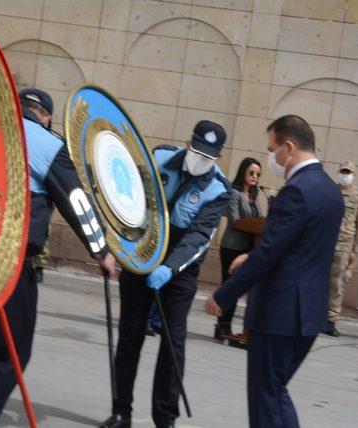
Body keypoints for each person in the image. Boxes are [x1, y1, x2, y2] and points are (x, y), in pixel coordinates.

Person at [0, 87, 116, 427]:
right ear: (47, 116)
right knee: (8, 356)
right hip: (9, 265)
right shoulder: (47, 144)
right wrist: (101, 251)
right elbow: (76, 202)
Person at [206, 114, 344, 428]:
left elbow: (270, 252)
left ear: (289, 147)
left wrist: (225, 294)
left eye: (273, 149)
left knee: (265, 396)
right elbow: (298, 248)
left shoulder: (296, 191)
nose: (272, 157)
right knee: (275, 392)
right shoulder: (330, 191)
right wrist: (251, 257)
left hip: (280, 312)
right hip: (308, 312)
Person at [101, 121, 232, 428]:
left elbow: (199, 236)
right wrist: (117, 245)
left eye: (209, 156)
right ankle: (121, 411)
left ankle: (165, 418)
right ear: (188, 144)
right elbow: (126, 197)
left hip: (180, 268)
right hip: (143, 252)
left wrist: (169, 268)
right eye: (198, 151)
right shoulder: (159, 157)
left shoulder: (219, 190)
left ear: (219, 157)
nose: (201, 158)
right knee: (130, 334)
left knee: (173, 342)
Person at [214, 157, 262, 341]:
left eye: (258, 174)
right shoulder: (234, 193)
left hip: (248, 248)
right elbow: (235, 220)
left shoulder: (255, 196)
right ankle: (222, 326)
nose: (255, 177)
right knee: (229, 287)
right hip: (232, 247)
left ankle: (229, 326)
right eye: (251, 173)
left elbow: (259, 219)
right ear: (243, 173)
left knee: (239, 288)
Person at [325, 160, 358, 337]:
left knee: (337, 284)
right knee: (317, 280)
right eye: (343, 171)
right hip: (325, 243)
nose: (345, 174)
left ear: (353, 174)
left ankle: (331, 321)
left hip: (344, 246)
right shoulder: (329, 191)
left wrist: (356, 250)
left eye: (348, 172)